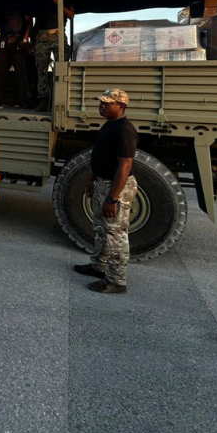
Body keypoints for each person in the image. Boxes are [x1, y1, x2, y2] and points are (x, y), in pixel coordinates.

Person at [73, 88, 138, 293]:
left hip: (116, 187)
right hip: (104, 183)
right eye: (101, 102)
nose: (102, 106)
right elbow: (101, 156)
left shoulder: (124, 131)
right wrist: (93, 181)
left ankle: (117, 281)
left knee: (116, 233)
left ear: (121, 106)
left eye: (108, 103)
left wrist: (112, 198)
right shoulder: (110, 125)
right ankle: (98, 266)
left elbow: (125, 166)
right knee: (102, 228)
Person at [32, 0, 74, 112]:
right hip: (41, 36)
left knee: (62, 69)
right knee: (41, 69)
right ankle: (44, 99)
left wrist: (58, 3)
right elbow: (36, 23)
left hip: (57, 34)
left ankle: (61, 99)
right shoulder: (41, 3)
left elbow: (71, 15)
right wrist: (32, 41)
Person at [0, 9, 32, 108]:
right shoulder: (2, 9)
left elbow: (29, 22)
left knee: (20, 71)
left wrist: (24, 39)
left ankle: (24, 101)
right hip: (4, 40)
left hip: (17, 39)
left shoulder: (20, 7)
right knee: (0, 71)